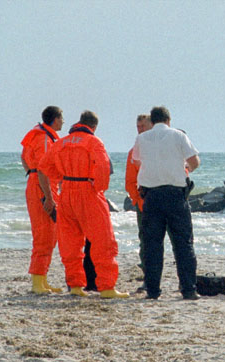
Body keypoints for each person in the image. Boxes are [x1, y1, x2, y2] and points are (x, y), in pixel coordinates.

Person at [37, 110, 128, 298]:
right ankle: (107, 288)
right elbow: (103, 167)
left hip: (67, 192)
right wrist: (99, 187)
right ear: (93, 127)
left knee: (70, 242)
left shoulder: (61, 142)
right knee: (104, 242)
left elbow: (44, 167)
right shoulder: (94, 142)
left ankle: (76, 286)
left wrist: (62, 177)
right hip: (88, 191)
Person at [132, 106, 200, 300]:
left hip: (151, 195)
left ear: (152, 122)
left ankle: (153, 290)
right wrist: (183, 167)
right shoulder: (178, 135)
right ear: (169, 120)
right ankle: (188, 289)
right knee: (183, 244)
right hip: (175, 194)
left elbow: (136, 162)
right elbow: (194, 161)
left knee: (152, 244)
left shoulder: (141, 138)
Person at [20, 106, 65, 294]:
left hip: (36, 184)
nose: (63, 122)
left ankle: (42, 280)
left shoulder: (38, 135)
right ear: (55, 120)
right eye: (62, 118)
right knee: (44, 235)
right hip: (42, 186)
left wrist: (30, 173)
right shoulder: (45, 139)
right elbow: (43, 169)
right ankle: (38, 282)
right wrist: (48, 196)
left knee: (48, 234)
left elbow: (24, 157)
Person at [125, 114, 154, 291]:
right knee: (145, 242)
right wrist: (137, 200)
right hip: (144, 204)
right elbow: (130, 181)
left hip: (164, 200)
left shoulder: (162, 147)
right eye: (138, 127)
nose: (140, 130)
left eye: (143, 126)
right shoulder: (133, 152)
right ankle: (148, 278)